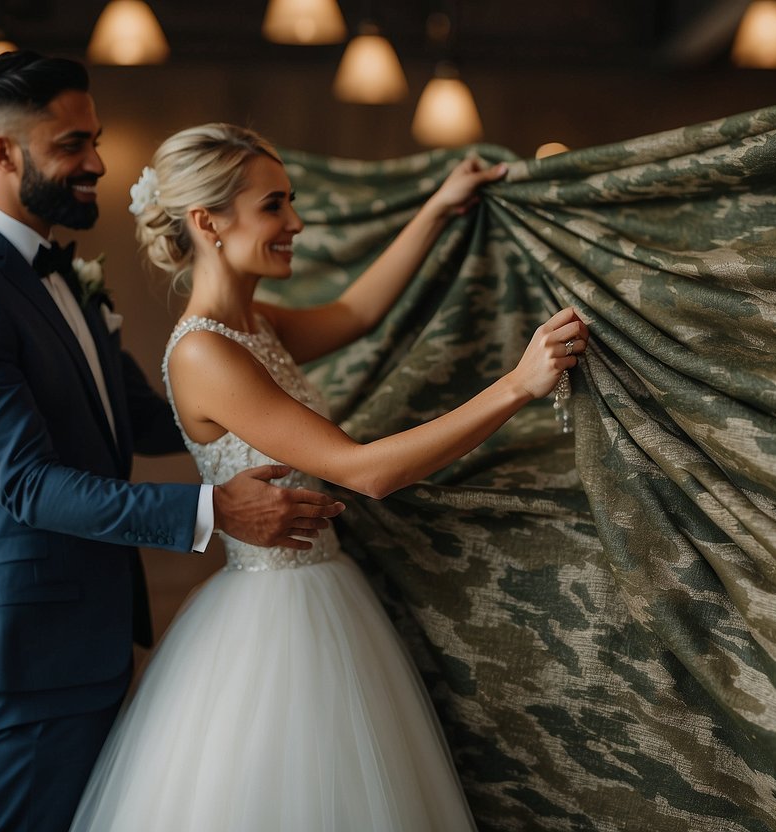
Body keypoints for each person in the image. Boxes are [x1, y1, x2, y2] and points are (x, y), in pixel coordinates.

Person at [68, 122, 588, 830]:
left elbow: (357, 312)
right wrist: (517, 386)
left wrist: (438, 206)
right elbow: (365, 472)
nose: (296, 222)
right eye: (273, 206)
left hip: (327, 592)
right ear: (207, 222)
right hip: (273, 623)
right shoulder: (203, 355)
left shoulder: (252, 323)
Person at [0, 54, 344, 832]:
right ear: (4, 154)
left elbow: (145, 418)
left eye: (96, 140)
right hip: (26, 645)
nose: (99, 163)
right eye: (72, 144)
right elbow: (30, 485)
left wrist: (244, 387)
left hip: (94, 632)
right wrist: (215, 510)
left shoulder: (66, 276)